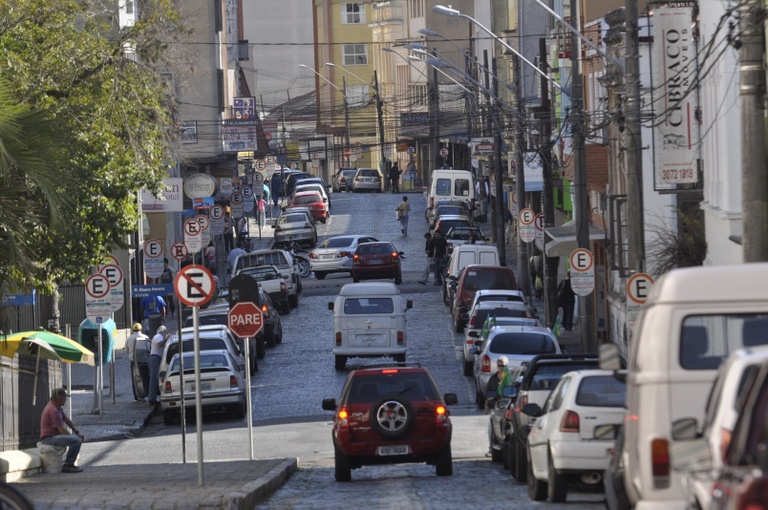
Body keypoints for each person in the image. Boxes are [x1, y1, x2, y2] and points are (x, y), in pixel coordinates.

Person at [39, 388, 85, 473]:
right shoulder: (53, 411)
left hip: (53, 436)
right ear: (59, 399)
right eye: (64, 398)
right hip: (49, 438)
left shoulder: (57, 407)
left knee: (75, 439)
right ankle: (68, 465)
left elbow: (66, 419)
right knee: (76, 441)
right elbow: (61, 430)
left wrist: (76, 432)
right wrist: (73, 437)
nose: (66, 400)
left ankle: (69, 463)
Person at [146, 325, 170, 405]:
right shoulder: (158, 336)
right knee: (154, 378)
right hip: (155, 358)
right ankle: (151, 398)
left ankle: (153, 396)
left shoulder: (160, 337)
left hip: (157, 358)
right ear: (163, 332)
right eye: (166, 332)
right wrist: (166, 339)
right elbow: (158, 345)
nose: (166, 333)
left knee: (156, 378)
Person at [124, 323, 150, 400]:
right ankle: (147, 393)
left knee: (135, 378)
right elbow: (149, 349)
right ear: (141, 329)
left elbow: (126, 351)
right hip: (144, 360)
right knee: (146, 377)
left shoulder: (128, 339)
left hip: (134, 361)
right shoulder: (145, 337)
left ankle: (137, 396)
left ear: (132, 330)